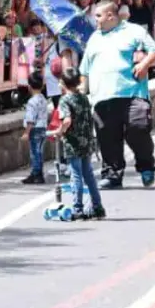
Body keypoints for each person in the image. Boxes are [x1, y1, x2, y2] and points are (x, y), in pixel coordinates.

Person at [79, 1, 155, 190]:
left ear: (110, 16)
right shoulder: (94, 38)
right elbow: (85, 70)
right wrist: (82, 95)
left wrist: (143, 65)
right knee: (107, 137)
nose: (95, 20)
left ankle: (146, 165)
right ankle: (112, 174)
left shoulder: (134, 31)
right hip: (102, 96)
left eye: (98, 16)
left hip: (133, 93)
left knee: (138, 128)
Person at [47, 67, 104, 220]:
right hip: (87, 141)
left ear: (63, 84)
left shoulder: (65, 100)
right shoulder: (84, 98)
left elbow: (67, 120)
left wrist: (59, 131)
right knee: (89, 175)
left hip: (73, 143)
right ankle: (98, 206)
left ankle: (77, 208)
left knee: (76, 175)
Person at [21, 73, 49, 184]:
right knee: (39, 152)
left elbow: (30, 120)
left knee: (34, 152)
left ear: (29, 86)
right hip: (43, 128)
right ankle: (38, 173)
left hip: (35, 129)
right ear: (42, 86)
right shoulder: (43, 99)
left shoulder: (31, 102)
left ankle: (36, 175)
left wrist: (26, 133)